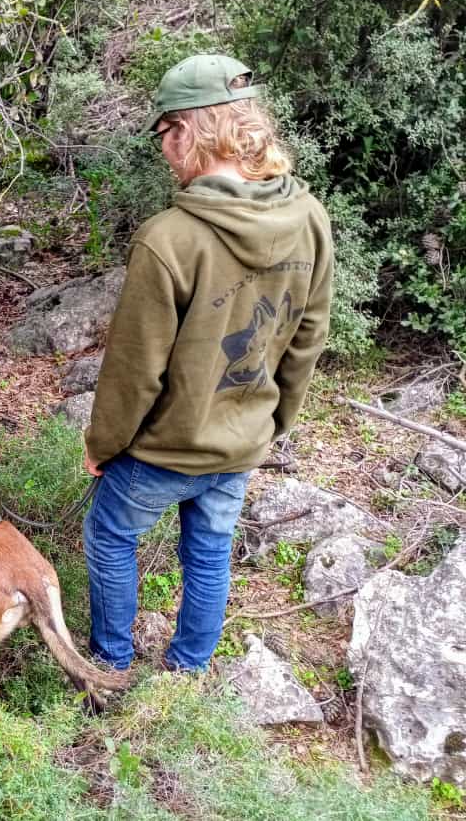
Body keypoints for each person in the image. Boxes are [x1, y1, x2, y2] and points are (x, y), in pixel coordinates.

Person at [81, 53, 333, 672]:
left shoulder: (169, 238)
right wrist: (271, 424)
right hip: (241, 440)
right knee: (211, 552)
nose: (164, 149)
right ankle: (188, 671)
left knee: (110, 536)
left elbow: (135, 369)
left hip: (165, 449)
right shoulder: (310, 217)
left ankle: (110, 667)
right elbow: (307, 337)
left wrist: (102, 445)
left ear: (188, 130)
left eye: (165, 132)